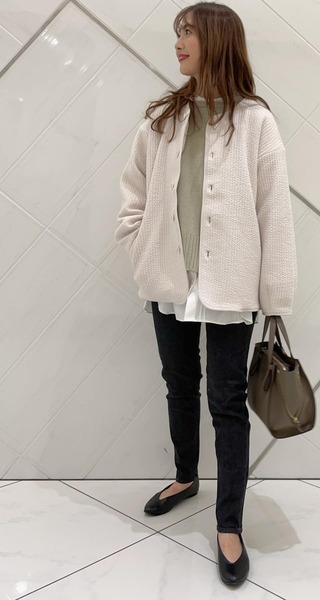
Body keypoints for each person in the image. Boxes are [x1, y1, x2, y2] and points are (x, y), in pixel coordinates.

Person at [114, 1, 298, 586]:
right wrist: (140, 246)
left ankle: (229, 523)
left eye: (187, 32)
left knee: (227, 402)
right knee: (178, 385)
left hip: (230, 286)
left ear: (218, 40)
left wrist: (275, 295)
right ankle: (186, 476)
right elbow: (133, 192)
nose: (178, 42)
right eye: (177, 33)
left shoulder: (255, 122)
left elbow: (275, 213)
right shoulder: (162, 120)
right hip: (169, 281)